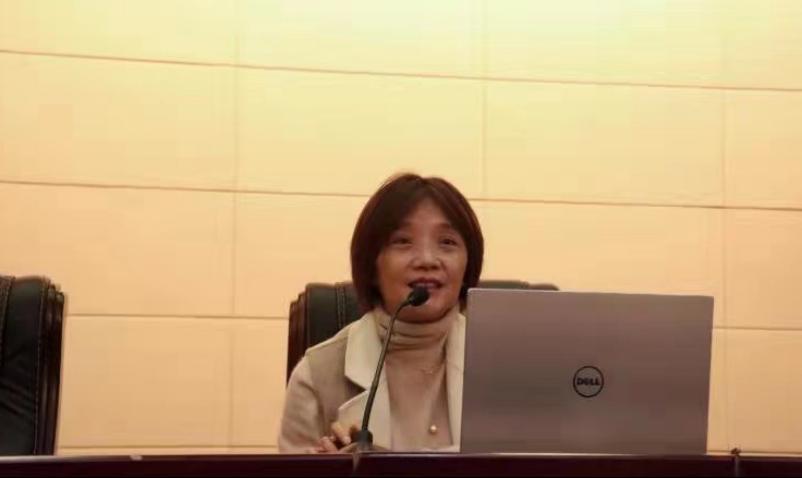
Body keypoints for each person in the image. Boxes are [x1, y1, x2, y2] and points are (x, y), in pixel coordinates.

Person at [278, 173, 484, 453]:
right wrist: (329, 472)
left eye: (447, 242)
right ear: (372, 265)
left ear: (468, 264)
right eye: (403, 241)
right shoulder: (317, 376)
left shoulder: (502, 365)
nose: (427, 260)